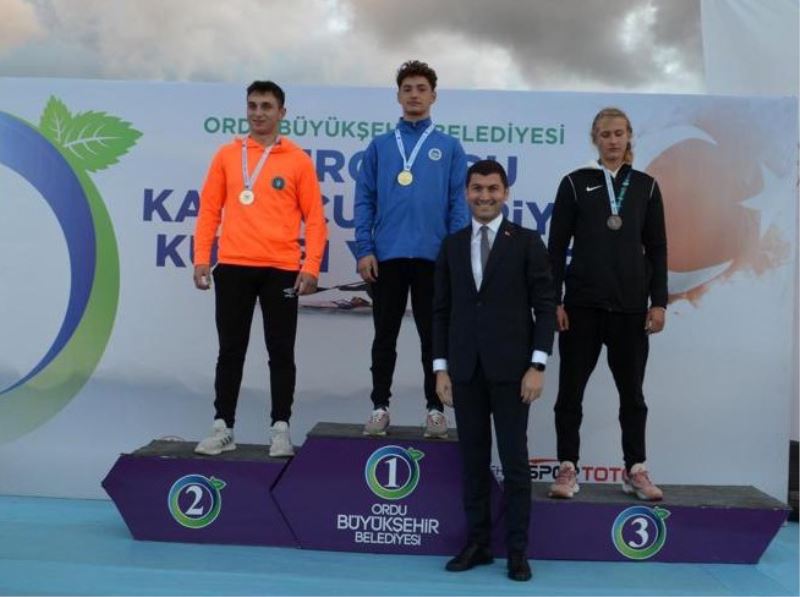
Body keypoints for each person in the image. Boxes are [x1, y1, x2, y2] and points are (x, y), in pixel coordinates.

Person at [433, 160, 556, 582]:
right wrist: (441, 369)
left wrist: (537, 365)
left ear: (505, 193)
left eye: (492, 189)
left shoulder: (527, 242)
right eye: (477, 189)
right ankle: (479, 544)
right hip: (464, 372)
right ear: (466, 193)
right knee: (473, 462)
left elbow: (544, 307)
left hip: (513, 373)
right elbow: (441, 311)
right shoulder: (452, 245)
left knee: (515, 463)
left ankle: (517, 551)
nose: (484, 196)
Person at [193, 80, 327, 458]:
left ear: (282, 112)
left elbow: (315, 219)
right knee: (230, 351)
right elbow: (209, 210)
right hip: (233, 266)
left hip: (281, 269)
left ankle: (280, 428)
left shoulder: (298, 160)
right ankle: (223, 426)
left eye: (266, 106)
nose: (258, 113)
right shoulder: (226, 155)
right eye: (252, 105)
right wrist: (202, 257)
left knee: (281, 352)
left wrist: (311, 266)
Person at [547, 107, 667, 500]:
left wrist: (659, 302)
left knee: (633, 396)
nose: (612, 140)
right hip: (581, 307)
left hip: (631, 309)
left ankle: (635, 469)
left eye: (618, 133)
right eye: (605, 134)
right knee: (570, 393)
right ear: (594, 139)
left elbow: (658, 248)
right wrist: (554, 300)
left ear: (629, 136)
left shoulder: (647, 186)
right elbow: (556, 247)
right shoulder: (574, 183)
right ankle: (567, 467)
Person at [354, 60, 469, 437]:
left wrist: (453, 253)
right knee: (384, 336)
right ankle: (379, 406)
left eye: (421, 89)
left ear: (433, 96)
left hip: (433, 258)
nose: (414, 95)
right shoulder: (381, 146)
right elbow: (364, 199)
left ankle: (435, 409)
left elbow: (458, 204)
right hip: (386, 256)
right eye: (408, 89)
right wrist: (365, 249)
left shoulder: (449, 147)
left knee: (433, 338)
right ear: (398, 96)